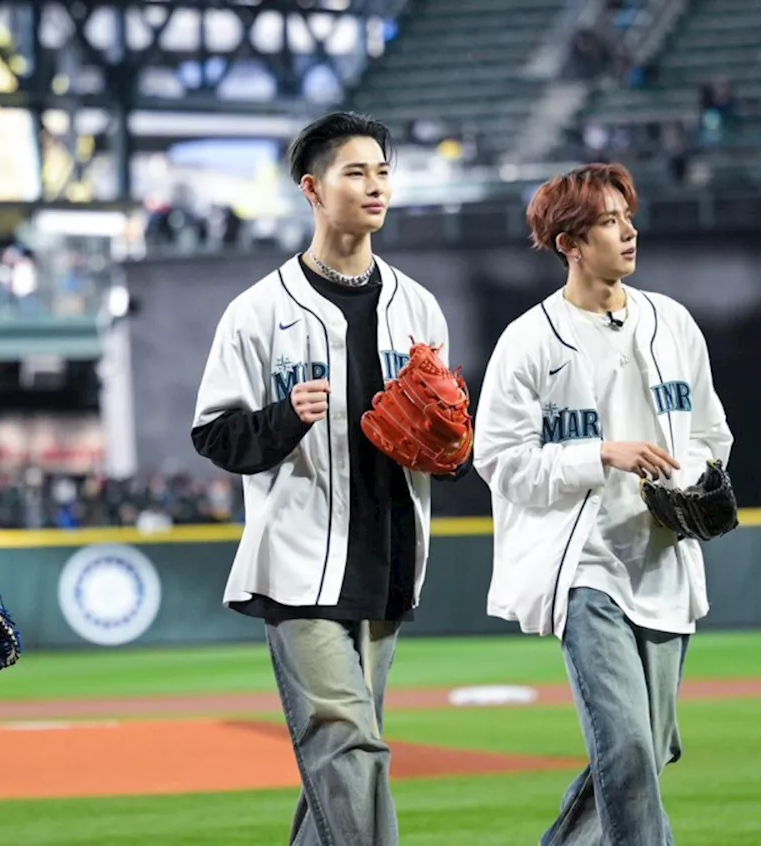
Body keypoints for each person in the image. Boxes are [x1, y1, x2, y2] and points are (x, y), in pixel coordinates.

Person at [189, 111, 469, 846]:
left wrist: (447, 444)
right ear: (312, 188)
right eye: (356, 170)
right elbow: (214, 432)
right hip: (300, 562)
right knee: (349, 746)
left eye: (382, 170)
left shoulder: (418, 306)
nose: (375, 184)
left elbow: (446, 443)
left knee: (340, 764)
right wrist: (283, 418)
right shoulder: (258, 311)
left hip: (389, 561)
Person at [472, 163, 733, 845]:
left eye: (627, 216)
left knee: (651, 749)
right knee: (626, 750)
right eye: (610, 220)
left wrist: (698, 479)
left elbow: (711, 432)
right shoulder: (529, 341)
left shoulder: (671, 322)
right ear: (570, 243)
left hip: (665, 561)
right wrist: (599, 455)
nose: (629, 230)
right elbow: (497, 461)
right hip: (585, 568)